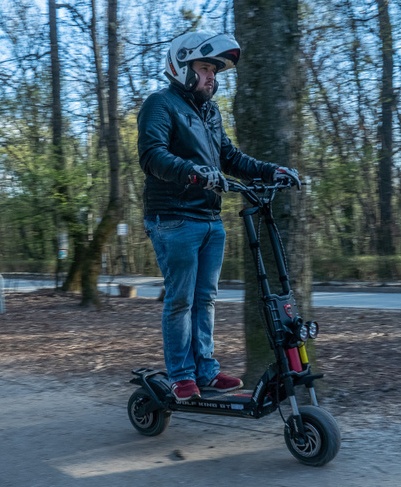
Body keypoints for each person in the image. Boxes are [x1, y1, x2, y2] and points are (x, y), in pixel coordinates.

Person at [137, 31, 300, 402]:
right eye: (206, 68)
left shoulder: (210, 112)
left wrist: (272, 171)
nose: (213, 76)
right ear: (182, 67)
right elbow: (152, 156)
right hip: (173, 219)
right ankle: (182, 376)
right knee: (180, 300)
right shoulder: (160, 105)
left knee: (205, 299)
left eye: (215, 70)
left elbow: (231, 158)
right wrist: (192, 172)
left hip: (210, 218)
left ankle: (206, 370)